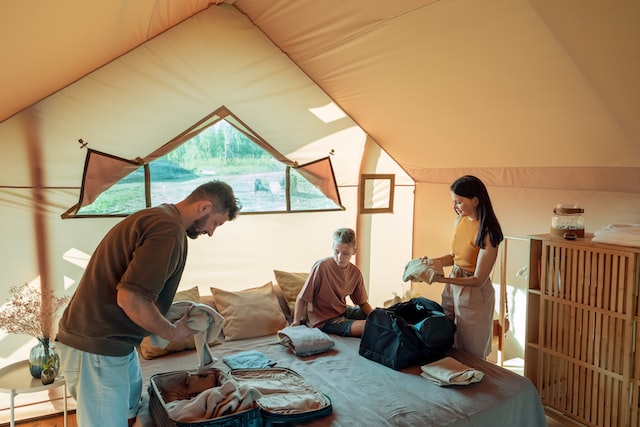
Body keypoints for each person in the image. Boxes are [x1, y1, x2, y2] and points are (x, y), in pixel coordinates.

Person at [56, 180, 241, 427]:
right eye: (216, 223)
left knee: (132, 410)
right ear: (204, 207)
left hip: (117, 344)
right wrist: (173, 332)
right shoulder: (167, 230)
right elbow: (130, 298)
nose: (211, 232)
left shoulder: (158, 217)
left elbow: (136, 290)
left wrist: (172, 312)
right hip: (98, 347)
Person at [424, 175, 503, 359]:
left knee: (472, 351)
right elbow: (455, 257)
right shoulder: (460, 221)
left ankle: (476, 385)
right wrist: (431, 262)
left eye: (459, 202)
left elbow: (478, 279)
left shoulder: (488, 233)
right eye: (453, 202)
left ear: (475, 200)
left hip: (474, 293)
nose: (455, 207)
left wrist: (441, 278)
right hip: (454, 284)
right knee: (446, 336)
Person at [291, 228, 372, 337]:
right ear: (332, 248)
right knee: (369, 326)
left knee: (381, 316)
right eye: (336, 252)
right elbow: (301, 299)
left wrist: (376, 316)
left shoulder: (355, 273)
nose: (340, 258)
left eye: (345, 253)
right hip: (322, 321)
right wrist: (296, 322)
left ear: (354, 252)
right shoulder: (321, 267)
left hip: (342, 312)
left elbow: (362, 303)